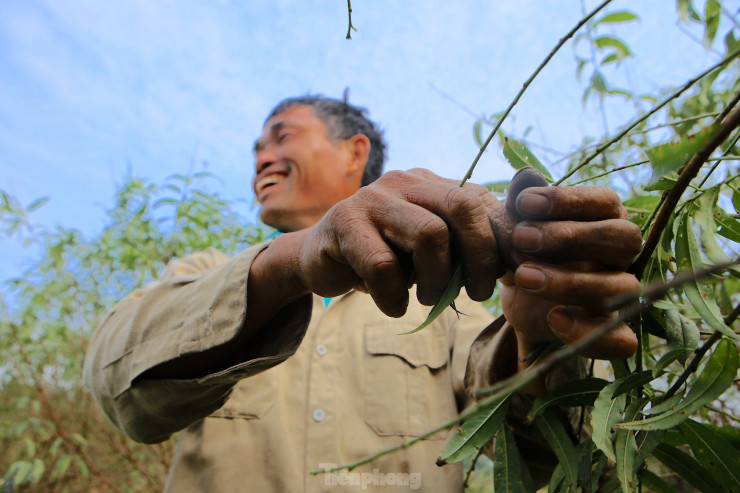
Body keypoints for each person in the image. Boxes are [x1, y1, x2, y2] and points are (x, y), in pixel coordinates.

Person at [83, 95, 642, 492]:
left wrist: (543, 340)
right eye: (255, 147)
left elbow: (529, 451)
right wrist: (287, 263)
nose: (261, 158)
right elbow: (117, 386)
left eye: (282, 136)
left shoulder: (444, 295)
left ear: (355, 153)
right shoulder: (205, 272)